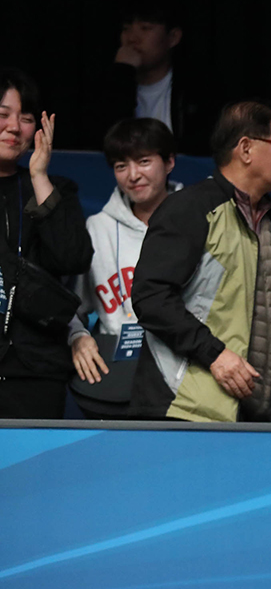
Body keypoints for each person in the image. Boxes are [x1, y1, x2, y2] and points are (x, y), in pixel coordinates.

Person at [130, 101, 271, 422]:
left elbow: (267, 311)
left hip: (258, 417)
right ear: (246, 148)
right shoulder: (190, 208)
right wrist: (214, 355)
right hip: (185, 408)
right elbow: (150, 297)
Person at [68, 118, 180, 419]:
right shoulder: (96, 228)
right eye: (121, 166)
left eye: (144, 161)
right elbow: (73, 308)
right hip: (117, 369)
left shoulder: (198, 220)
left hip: (183, 370)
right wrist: (77, 336)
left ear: (169, 162)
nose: (133, 175)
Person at [0, 67, 93, 419]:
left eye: (25, 118)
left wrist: (39, 175)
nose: (13, 127)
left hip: (35, 371)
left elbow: (71, 258)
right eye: (3, 114)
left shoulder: (57, 188)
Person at [93, 0, 213, 155]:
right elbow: (105, 140)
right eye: (126, 29)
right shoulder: (108, 86)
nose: (132, 39)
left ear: (173, 37)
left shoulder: (196, 87)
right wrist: (122, 74)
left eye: (145, 28)